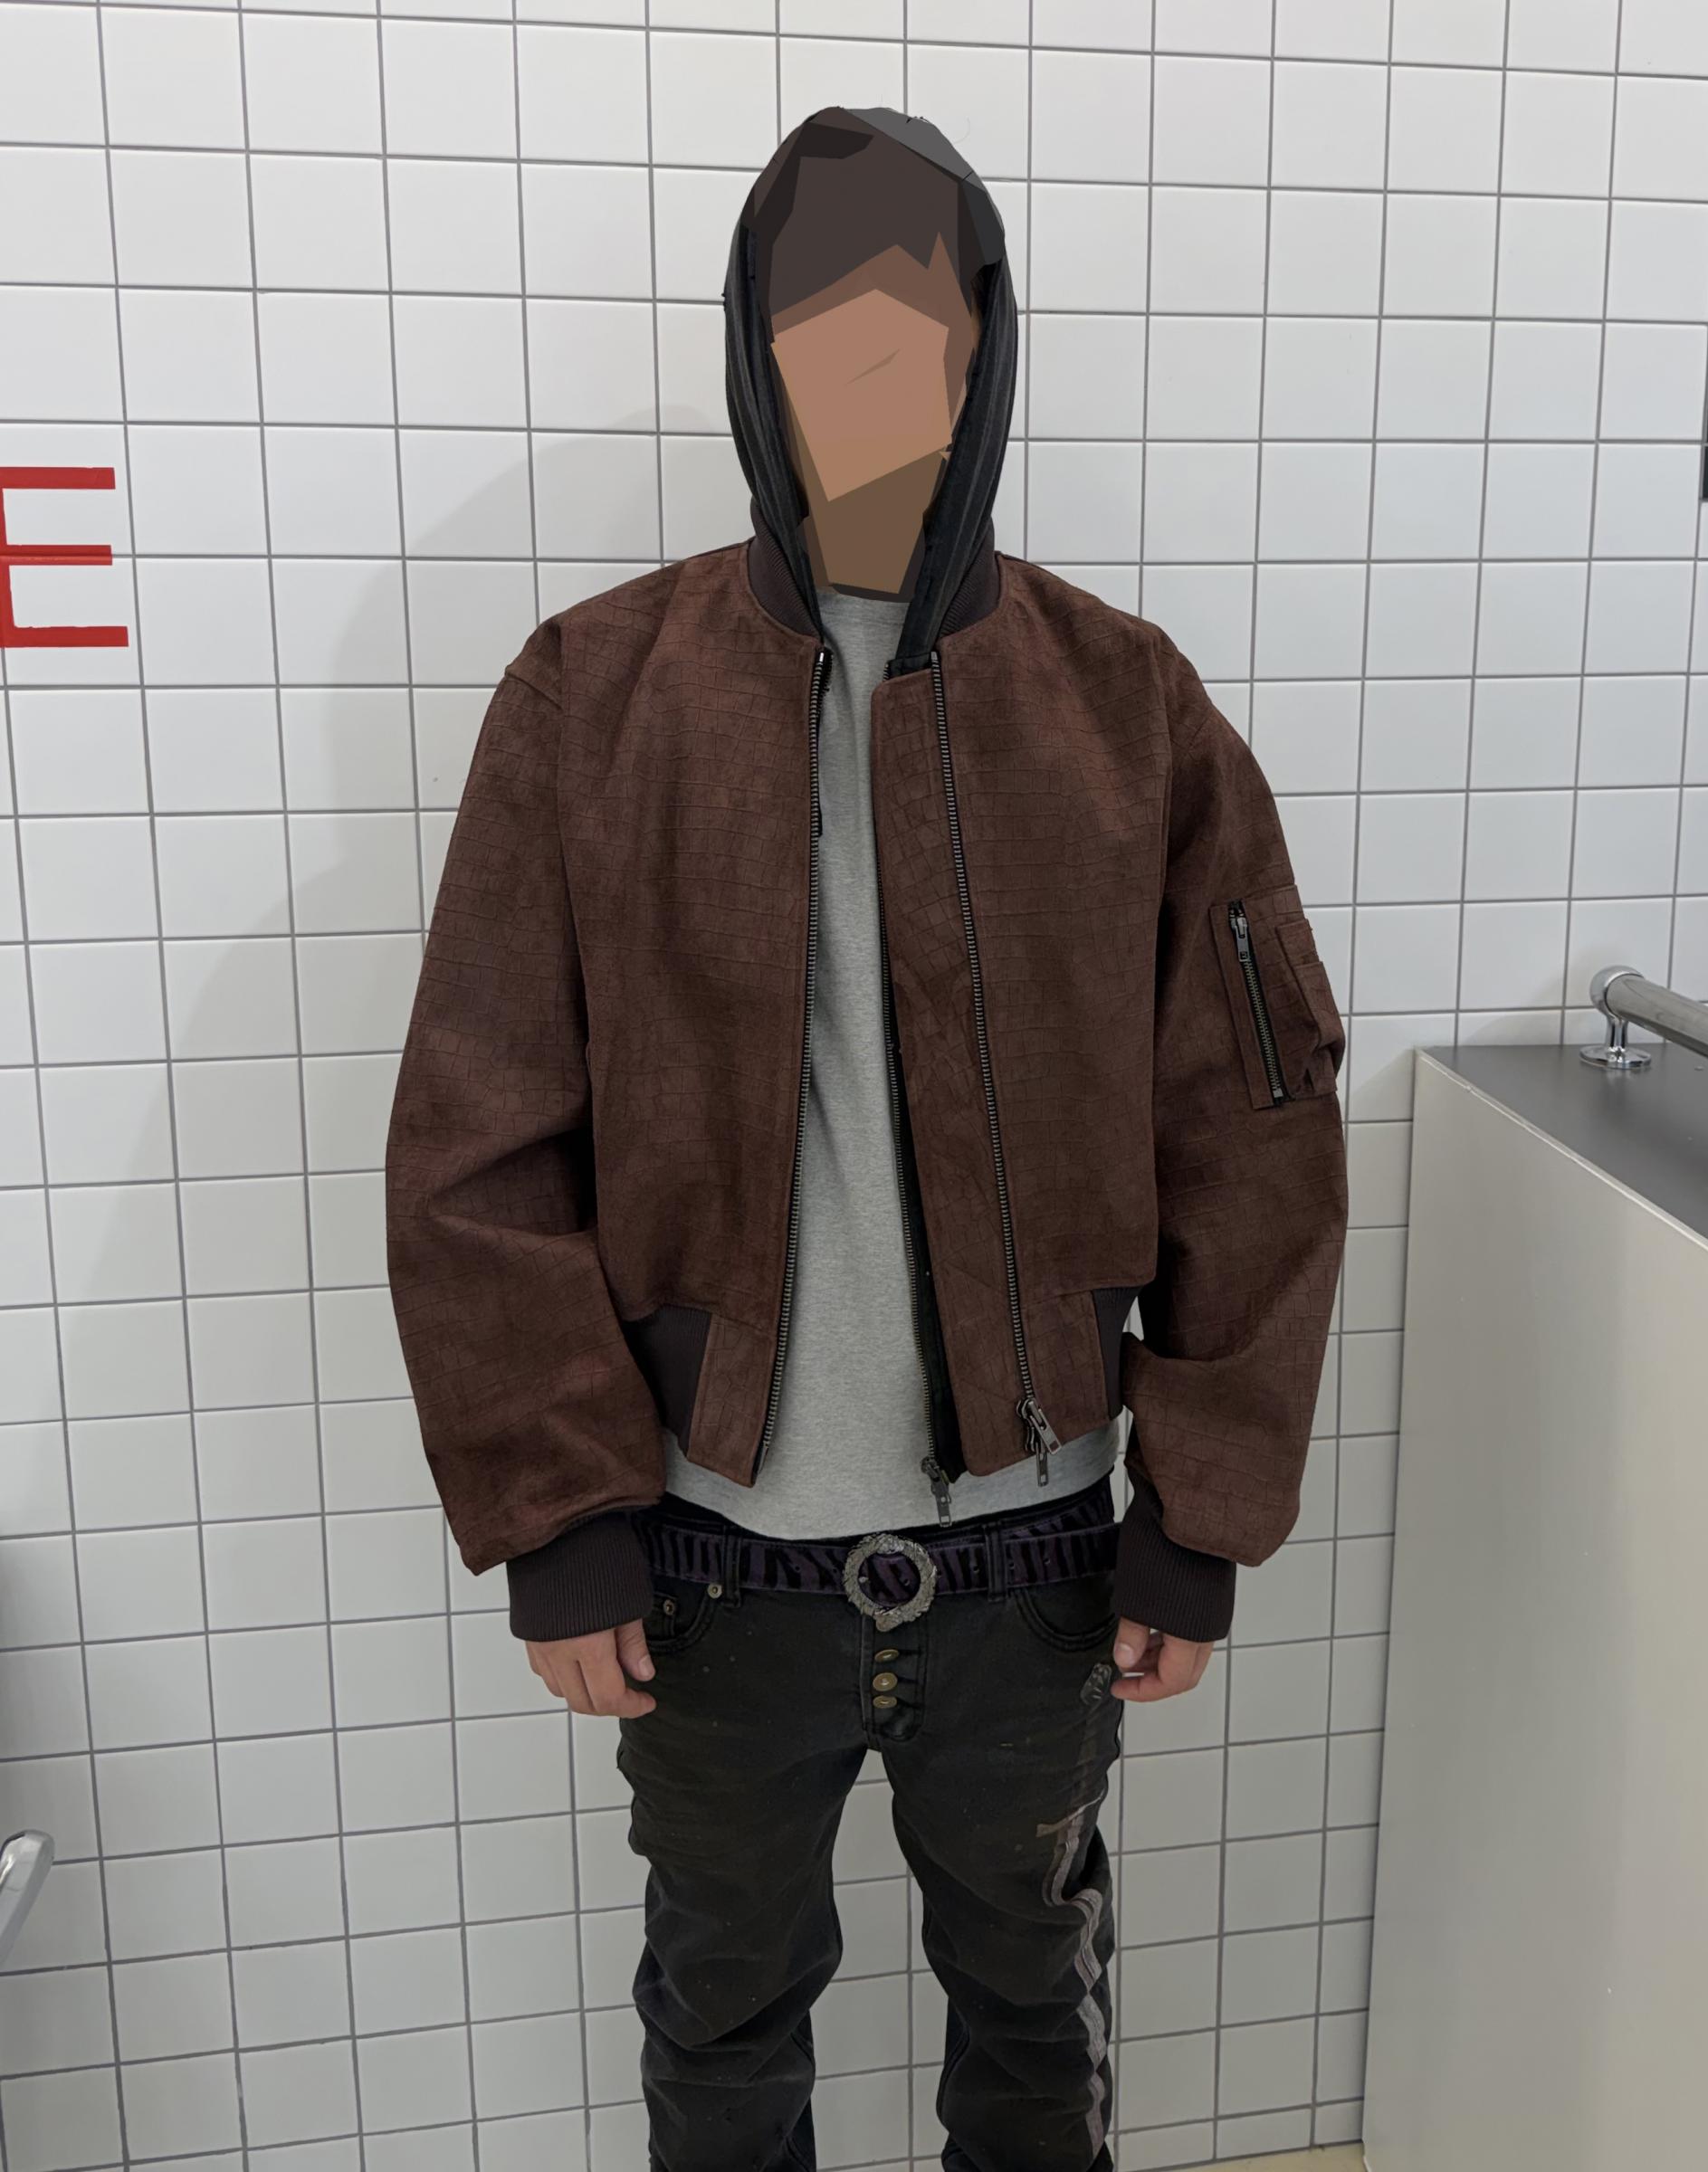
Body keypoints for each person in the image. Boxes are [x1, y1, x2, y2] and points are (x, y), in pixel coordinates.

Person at [385, 105, 1349, 2172]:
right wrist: (560, 1520)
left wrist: (1199, 1514)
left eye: (914, 331)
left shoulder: (1130, 710)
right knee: (723, 2033)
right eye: (817, 331)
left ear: (986, 350)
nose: (869, 382)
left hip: (1041, 1565)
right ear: (753, 352)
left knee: (1038, 2025)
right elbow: (478, 1135)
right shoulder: (589, 698)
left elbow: (1255, 1130)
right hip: (708, 1564)